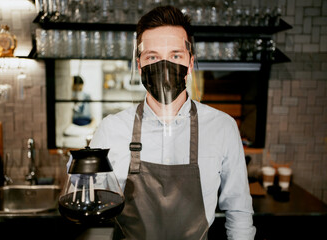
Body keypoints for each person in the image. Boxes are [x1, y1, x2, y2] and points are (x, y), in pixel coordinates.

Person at [68, 5, 255, 240]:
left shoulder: (223, 127)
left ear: (189, 63)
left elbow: (239, 212)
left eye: (175, 55)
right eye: (153, 57)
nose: (164, 67)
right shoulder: (112, 129)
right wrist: (77, 172)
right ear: (139, 65)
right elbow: (84, 194)